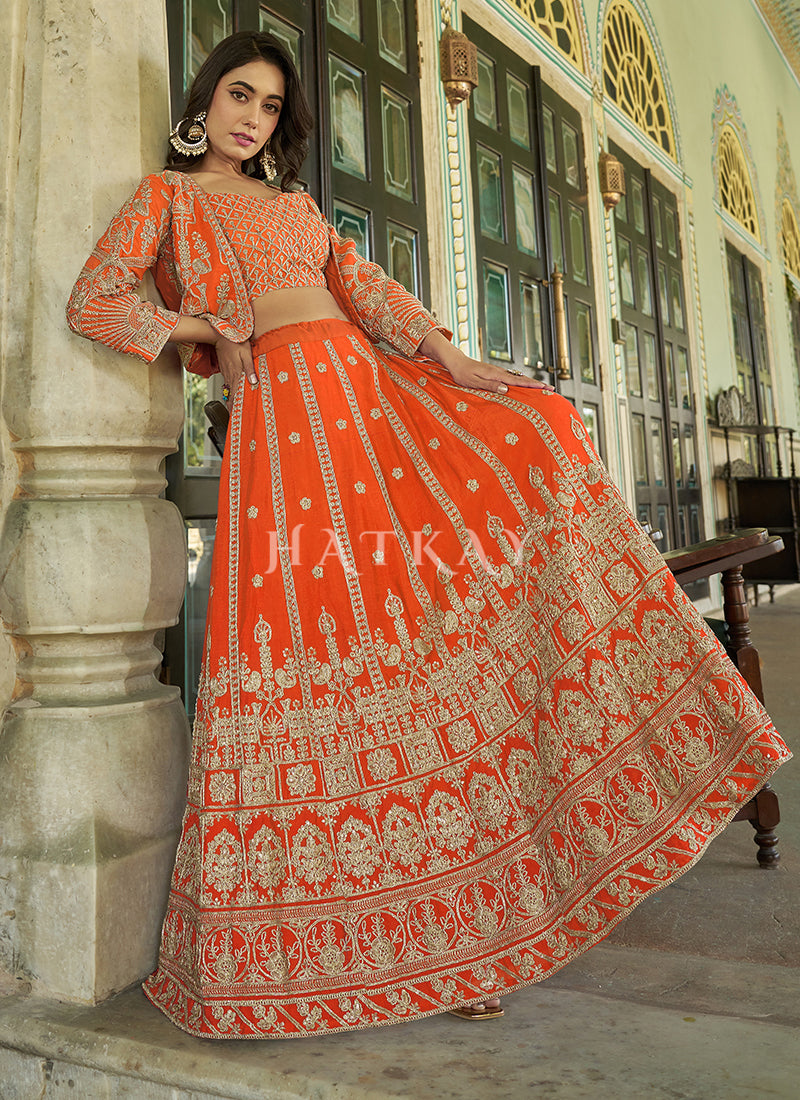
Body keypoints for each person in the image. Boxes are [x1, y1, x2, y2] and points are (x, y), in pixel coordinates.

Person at [67, 31, 789, 1040]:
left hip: (370, 409)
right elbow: (96, 298)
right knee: (327, 650)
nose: (251, 118)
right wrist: (205, 331)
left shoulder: (294, 207)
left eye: (270, 107)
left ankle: (472, 939)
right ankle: (369, 948)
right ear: (205, 97)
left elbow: (360, 289)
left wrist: (452, 358)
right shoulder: (165, 199)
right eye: (239, 94)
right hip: (283, 431)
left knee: (475, 545)